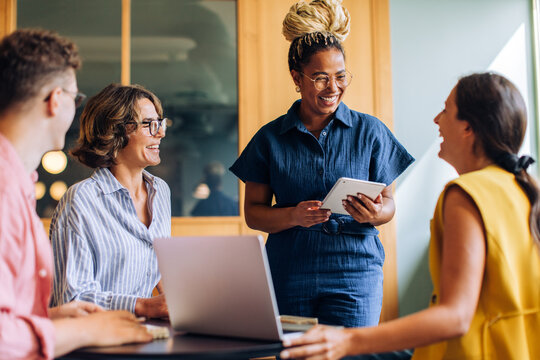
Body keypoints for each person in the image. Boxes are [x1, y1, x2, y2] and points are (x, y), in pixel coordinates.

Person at [280, 72, 540, 360]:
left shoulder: (465, 194)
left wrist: (347, 340)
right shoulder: (522, 188)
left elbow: (456, 317)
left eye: (446, 110)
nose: (437, 119)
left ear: (468, 128)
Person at [230, 0, 414, 328]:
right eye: (319, 78)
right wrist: (293, 215)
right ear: (296, 77)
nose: (333, 88)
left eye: (340, 76)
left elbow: (389, 204)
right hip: (289, 271)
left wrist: (376, 213)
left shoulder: (370, 131)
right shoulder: (269, 139)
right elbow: (254, 213)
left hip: (355, 273)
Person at [0, 29, 152, 359]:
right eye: (75, 97)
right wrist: (82, 330)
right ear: (56, 100)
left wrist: (50, 319)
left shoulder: (20, 182)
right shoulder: (4, 190)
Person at [50, 83, 171, 319]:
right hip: (95, 344)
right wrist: (143, 306)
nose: (161, 133)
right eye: (149, 124)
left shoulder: (161, 192)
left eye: (160, 123)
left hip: (145, 333)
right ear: (115, 131)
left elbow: (157, 270)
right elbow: (73, 299)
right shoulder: (81, 200)